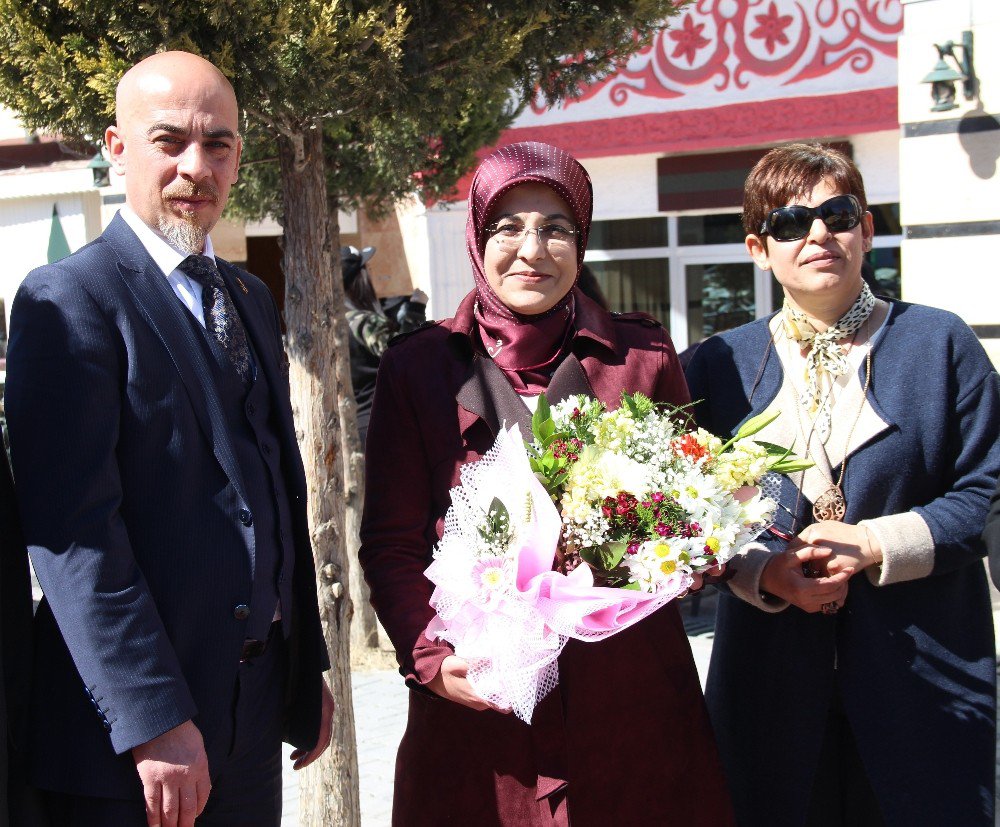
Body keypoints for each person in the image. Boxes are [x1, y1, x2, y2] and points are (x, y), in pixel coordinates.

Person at [359, 142, 734, 826]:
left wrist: (687, 550)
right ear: (476, 235)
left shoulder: (640, 357)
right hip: (481, 708)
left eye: (556, 227)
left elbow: (692, 508)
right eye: (508, 226)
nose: (532, 248)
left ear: (581, 240)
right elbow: (389, 544)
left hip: (629, 707)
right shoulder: (419, 370)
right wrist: (431, 658)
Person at [4, 51, 334, 826]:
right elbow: (75, 536)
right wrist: (153, 716)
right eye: (170, 141)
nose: (196, 166)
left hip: (250, 722)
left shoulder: (249, 294)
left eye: (218, 144)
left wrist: (300, 668)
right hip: (135, 746)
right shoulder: (69, 299)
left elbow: (273, 491)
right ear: (117, 148)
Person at [685, 143, 1000, 826]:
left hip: (926, 678)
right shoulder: (717, 367)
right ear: (757, 248)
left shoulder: (939, 345)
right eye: (791, 222)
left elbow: (988, 490)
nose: (818, 235)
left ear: (867, 229)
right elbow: (685, 513)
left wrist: (876, 542)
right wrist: (763, 572)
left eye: (837, 213)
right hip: (769, 684)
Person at [341, 245, 427, 447]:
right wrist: (416, 308)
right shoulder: (363, 321)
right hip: (381, 423)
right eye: (367, 270)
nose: (372, 275)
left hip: (357, 424)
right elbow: (404, 355)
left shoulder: (334, 324)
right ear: (358, 280)